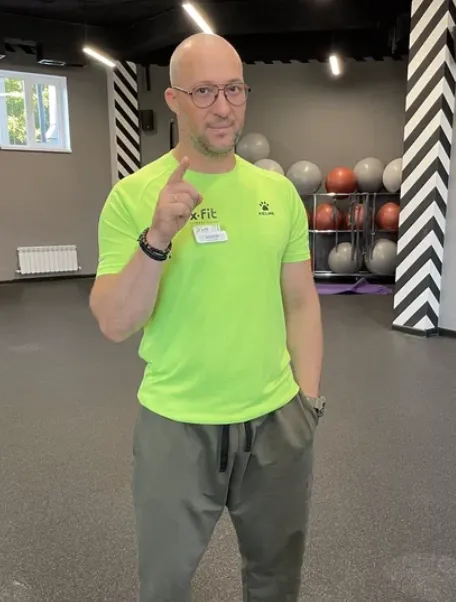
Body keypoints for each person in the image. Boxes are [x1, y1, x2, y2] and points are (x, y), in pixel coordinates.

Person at [90, 32, 325, 602]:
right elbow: (115, 323)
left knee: (276, 580)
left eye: (233, 89)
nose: (223, 107)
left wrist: (308, 402)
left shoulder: (278, 194)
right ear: (173, 99)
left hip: (276, 422)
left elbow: (300, 301)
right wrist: (157, 238)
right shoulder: (133, 197)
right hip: (176, 426)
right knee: (164, 586)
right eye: (204, 92)